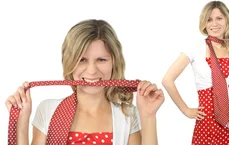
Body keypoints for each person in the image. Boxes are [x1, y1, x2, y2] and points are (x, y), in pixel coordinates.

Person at [5, 19, 164, 145]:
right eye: (82, 60)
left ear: (114, 62)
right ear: (69, 62)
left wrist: (148, 116)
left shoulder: (127, 115)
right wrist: (21, 121)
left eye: (101, 59)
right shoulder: (48, 110)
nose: (92, 71)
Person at [161, 1, 229, 144]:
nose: (214, 24)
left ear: (227, 19)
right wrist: (186, 110)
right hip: (207, 119)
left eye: (219, 18)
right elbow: (167, 80)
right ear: (204, 23)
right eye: (209, 19)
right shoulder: (195, 49)